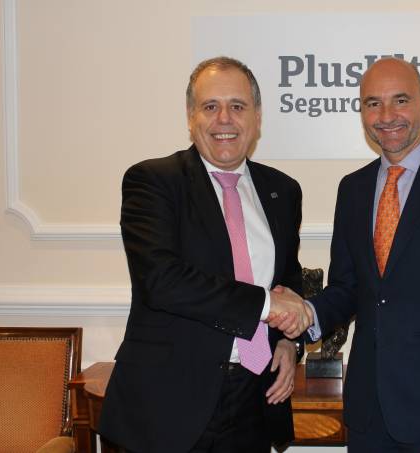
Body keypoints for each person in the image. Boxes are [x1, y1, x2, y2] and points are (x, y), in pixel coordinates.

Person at [272, 57, 420, 452]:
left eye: (400, 100)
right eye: (373, 103)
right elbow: (348, 288)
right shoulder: (353, 189)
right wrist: (307, 313)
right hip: (369, 418)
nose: (386, 116)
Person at [98, 56, 312, 453]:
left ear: (257, 117)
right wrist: (267, 305)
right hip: (169, 406)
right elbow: (162, 281)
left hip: (253, 398)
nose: (224, 119)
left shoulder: (282, 190)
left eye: (237, 106)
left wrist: (288, 342)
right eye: (210, 106)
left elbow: (288, 278)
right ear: (190, 116)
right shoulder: (153, 181)